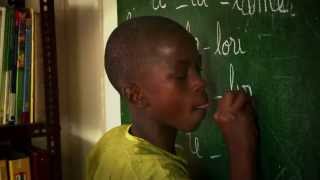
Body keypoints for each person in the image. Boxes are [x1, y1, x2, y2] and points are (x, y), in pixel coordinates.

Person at [87, 16, 258, 180]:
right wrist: (240, 149)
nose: (200, 82)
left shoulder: (110, 142)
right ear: (136, 95)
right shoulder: (161, 175)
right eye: (181, 75)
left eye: (198, 68)